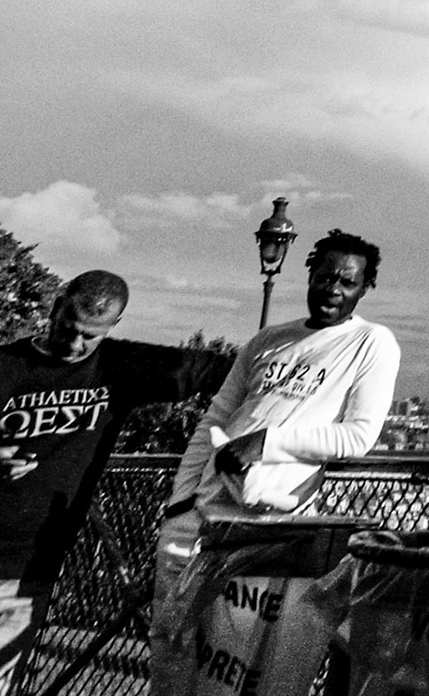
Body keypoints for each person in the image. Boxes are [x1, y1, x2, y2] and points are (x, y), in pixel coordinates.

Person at [150, 230, 399, 696]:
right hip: (199, 515)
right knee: (170, 646)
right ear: (310, 275)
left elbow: (358, 436)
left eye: (347, 282)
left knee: (231, 661)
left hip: (265, 526)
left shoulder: (372, 343)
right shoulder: (268, 339)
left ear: (365, 288)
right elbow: (216, 418)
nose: (333, 289)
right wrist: (179, 500)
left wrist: (266, 443)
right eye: (325, 277)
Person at [0, 271, 230, 696]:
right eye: (68, 329)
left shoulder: (118, 366)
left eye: (90, 336)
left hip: (28, 561)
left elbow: (224, 370)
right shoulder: (7, 366)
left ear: (114, 326)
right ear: (56, 307)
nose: (75, 345)